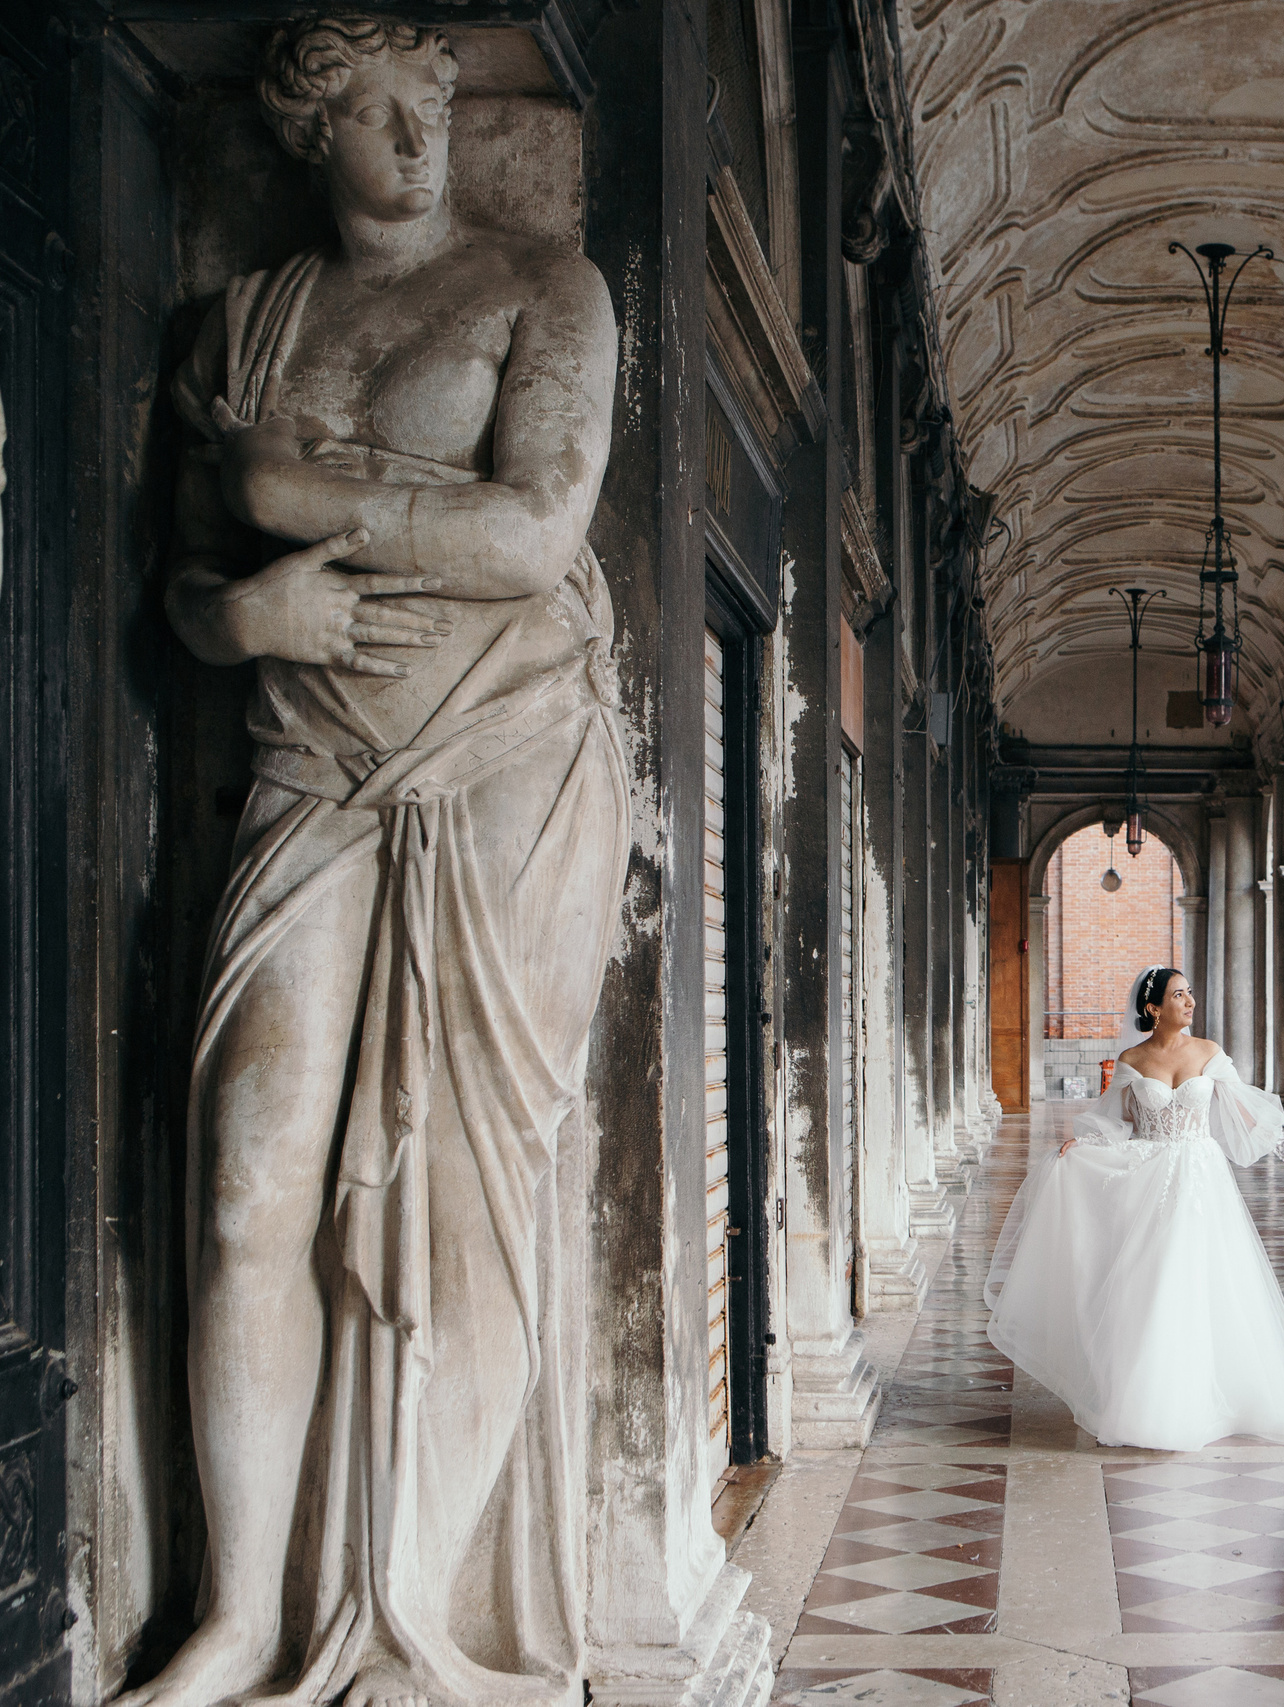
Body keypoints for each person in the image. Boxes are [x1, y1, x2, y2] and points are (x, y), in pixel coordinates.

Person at [130, 18, 626, 1707]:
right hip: (309, 756)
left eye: (432, 105)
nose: (416, 138)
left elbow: (539, 529)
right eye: (371, 112)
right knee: (249, 1184)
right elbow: (194, 582)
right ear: (305, 128)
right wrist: (245, 604)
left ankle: (419, 1595)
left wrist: (301, 485)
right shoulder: (249, 324)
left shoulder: (545, 288)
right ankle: (244, 1613)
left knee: (470, 1189)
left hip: (510, 752)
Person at [985, 967, 1284, 1450]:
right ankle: (1146, 1403)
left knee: (1203, 1281)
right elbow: (1116, 1121)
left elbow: (1246, 1116)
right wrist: (1080, 1146)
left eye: (1190, 992)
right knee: (1152, 1285)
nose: (1190, 1001)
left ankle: (1216, 1397)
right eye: (1178, 994)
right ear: (1153, 1008)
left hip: (1202, 1180)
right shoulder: (1131, 1059)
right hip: (1148, 1178)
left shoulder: (1209, 1053)